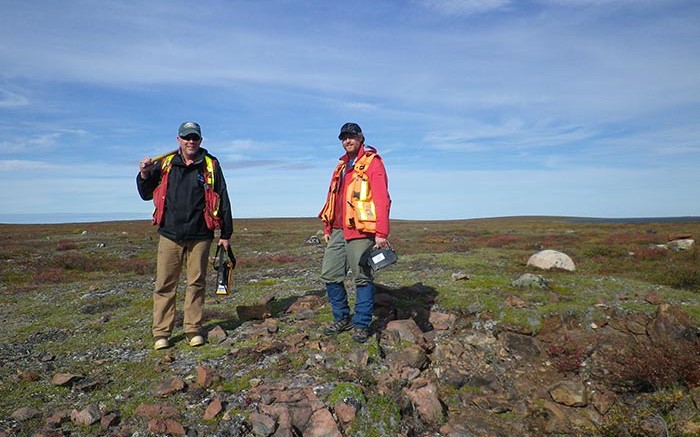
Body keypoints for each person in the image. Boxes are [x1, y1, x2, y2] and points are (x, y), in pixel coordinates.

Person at [137, 121, 233, 350]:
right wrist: (143, 173)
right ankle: (161, 333)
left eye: (195, 138)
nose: (191, 141)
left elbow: (223, 195)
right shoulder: (165, 164)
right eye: (186, 137)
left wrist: (226, 233)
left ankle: (193, 330)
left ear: (200, 141)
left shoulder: (210, 165)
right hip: (170, 234)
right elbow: (145, 193)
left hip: (201, 235)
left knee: (196, 283)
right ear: (178, 139)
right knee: (164, 284)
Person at [318, 122, 391, 343]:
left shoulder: (372, 163)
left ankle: (361, 323)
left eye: (351, 136)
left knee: (361, 277)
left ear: (361, 138)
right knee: (330, 274)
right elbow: (334, 198)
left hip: (361, 230)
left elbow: (382, 198)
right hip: (338, 229)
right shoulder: (340, 166)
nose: (347, 141)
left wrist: (381, 232)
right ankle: (342, 318)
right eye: (344, 137)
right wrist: (328, 226)